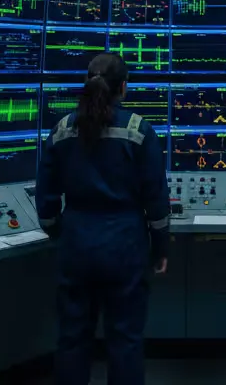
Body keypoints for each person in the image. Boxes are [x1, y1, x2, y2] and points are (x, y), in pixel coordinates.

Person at [36, 53, 170, 385]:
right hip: (124, 246)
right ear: (124, 87)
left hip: (77, 243)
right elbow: (156, 200)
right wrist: (160, 248)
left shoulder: (62, 130)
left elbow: (46, 198)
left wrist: (58, 232)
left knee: (72, 338)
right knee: (125, 341)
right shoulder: (139, 131)